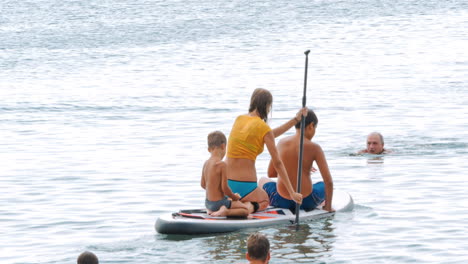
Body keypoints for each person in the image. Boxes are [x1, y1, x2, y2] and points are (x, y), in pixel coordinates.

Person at [226, 88, 303, 213]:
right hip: (246, 186)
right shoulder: (263, 127)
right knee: (264, 200)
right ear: (267, 106)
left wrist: (295, 120)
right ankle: (246, 208)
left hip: (226, 184)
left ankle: (233, 203)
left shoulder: (239, 119)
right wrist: (292, 192)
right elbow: (277, 163)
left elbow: (269, 135)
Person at [259, 109, 334, 212]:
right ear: (311, 126)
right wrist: (328, 208)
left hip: (281, 201)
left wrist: (290, 170)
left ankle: (268, 200)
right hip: (307, 201)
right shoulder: (315, 147)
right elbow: (328, 181)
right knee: (323, 185)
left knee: (262, 180)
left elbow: (271, 173)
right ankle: (323, 203)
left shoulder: (281, 143)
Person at [201, 131, 249, 217]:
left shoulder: (206, 163)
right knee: (245, 210)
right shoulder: (222, 165)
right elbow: (225, 188)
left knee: (227, 199)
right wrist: (234, 197)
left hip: (207, 203)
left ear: (209, 149)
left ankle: (210, 210)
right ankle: (225, 212)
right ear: (223, 146)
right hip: (219, 203)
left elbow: (203, 185)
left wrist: (214, 194)